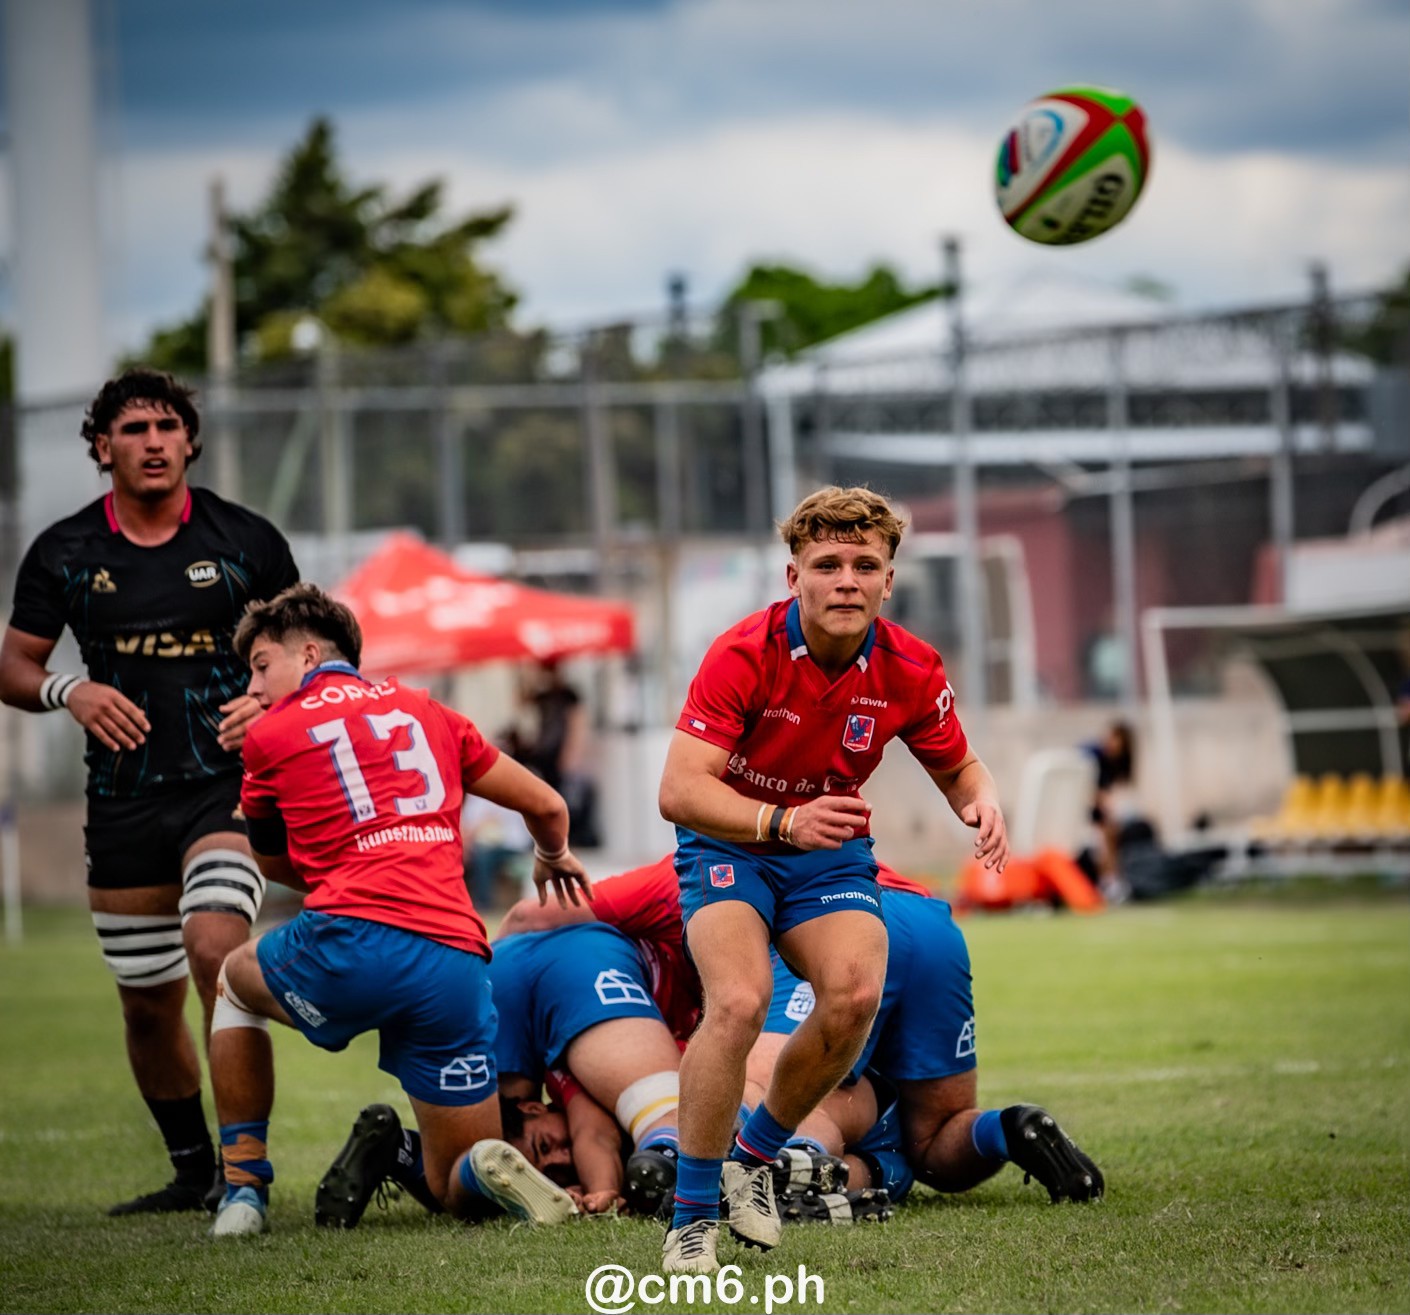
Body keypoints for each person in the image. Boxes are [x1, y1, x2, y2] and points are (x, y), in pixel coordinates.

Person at [655, 484, 1010, 1273]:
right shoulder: (742, 653)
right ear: (794, 578)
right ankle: (691, 1218)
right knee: (739, 1001)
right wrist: (782, 821)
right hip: (730, 842)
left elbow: (961, 767)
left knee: (853, 993)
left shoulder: (910, 666)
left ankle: (753, 1159)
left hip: (827, 851)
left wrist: (983, 802)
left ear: (889, 581)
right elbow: (678, 790)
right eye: (827, 564)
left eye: (864, 565)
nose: (846, 580)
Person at [0, 368, 299, 1216]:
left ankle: (245, 1175)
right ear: (103, 447)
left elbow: (312, 650)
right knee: (145, 1004)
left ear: (191, 442)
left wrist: (272, 699)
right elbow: (13, 665)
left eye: (169, 425)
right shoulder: (64, 551)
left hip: (226, 788)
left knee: (215, 948)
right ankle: (193, 1169)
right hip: (123, 800)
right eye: (134, 429)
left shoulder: (244, 539)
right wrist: (69, 690)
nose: (155, 440)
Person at [205, 583, 591, 1236]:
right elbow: (548, 805)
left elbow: (273, 864)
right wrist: (551, 854)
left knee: (232, 982)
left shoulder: (267, 735)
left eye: (262, 665)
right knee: (452, 1182)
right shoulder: (429, 710)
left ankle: (243, 1190)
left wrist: (340, 865)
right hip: (454, 957)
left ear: (308, 653)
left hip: (352, 941)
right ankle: (485, 1167)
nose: (255, 686)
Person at [762, 885, 1104, 1209]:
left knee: (773, 1093)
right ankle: (1004, 1130)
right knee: (929, 1141)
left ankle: (797, 1164)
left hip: (835, 911)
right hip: (929, 923)